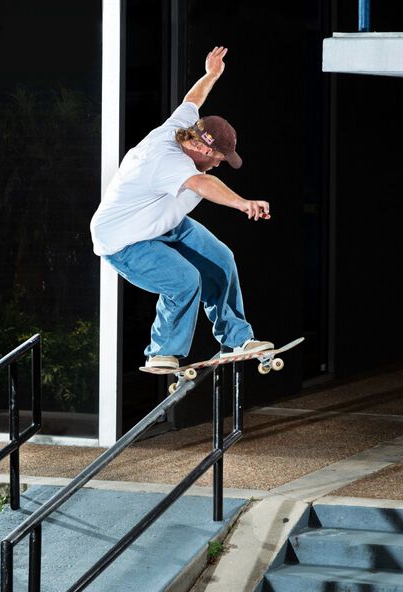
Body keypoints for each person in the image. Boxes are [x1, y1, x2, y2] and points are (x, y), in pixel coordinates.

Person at [89, 45, 273, 371]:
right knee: (185, 279)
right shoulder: (165, 159)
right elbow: (202, 185)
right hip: (126, 239)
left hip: (164, 223)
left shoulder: (186, 126)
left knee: (221, 260)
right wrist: (242, 203)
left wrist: (211, 74)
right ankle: (161, 351)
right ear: (201, 147)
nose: (217, 165)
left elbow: (193, 100)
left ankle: (235, 339)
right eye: (216, 158)